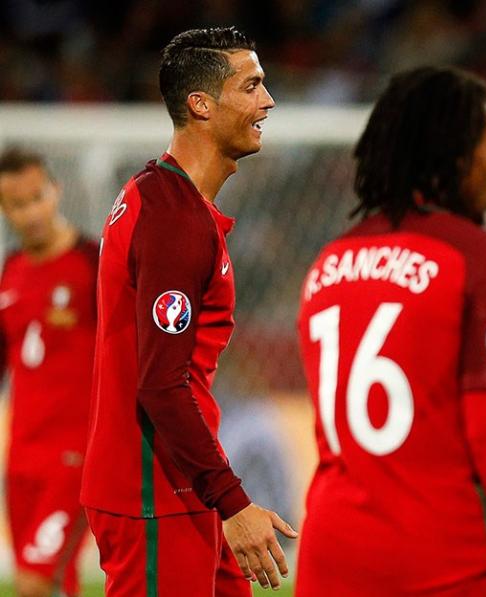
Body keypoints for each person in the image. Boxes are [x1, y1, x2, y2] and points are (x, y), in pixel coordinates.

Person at [296, 66, 486, 597]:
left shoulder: (329, 263)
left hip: (330, 558)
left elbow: (405, 438)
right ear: (453, 156)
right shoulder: (479, 261)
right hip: (444, 561)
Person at [80, 26, 297, 596]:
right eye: (251, 86)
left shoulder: (161, 196)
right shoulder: (174, 222)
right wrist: (233, 501)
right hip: (154, 491)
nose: (267, 101)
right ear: (201, 104)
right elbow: (161, 384)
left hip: (180, 480)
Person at [0, 149, 97, 597]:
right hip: (22, 459)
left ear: (55, 191)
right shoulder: (10, 272)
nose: (31, 212)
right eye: (17, 204)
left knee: (34, 582)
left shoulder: (92, 263)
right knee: (56, 583)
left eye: (37, 197)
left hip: (73, 458)